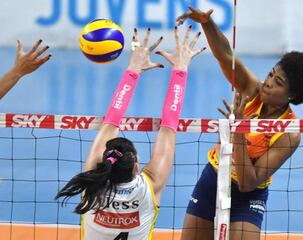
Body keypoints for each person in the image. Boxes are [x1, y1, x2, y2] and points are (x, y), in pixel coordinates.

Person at [177, 6, 303, 240]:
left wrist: (239, 132)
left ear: (291, 95)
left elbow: (248, 182)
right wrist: (207, 23)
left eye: (278, 82)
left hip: (248, 197)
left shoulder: (289, 133)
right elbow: (225, 56)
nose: (268, 82)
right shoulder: (252, 91)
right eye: (272, 74)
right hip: (213, 178)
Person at [55, 26, 205, 240]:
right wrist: (179, 69)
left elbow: (111, 122)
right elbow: (170, 125)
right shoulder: (149, 187)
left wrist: (134, 69)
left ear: (105, 161)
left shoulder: (91, 184)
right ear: (136, 166)